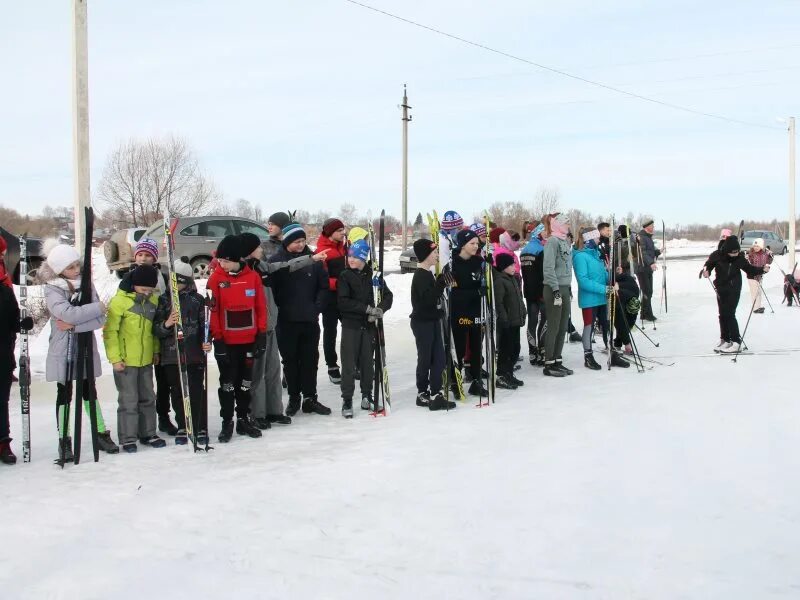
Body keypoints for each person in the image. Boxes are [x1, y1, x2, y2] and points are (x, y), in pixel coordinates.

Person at [39, 243, 119, 461]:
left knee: (89, 390)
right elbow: (66, 313)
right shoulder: (52, 288)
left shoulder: (86, 283)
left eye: (77, 265)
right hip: (63, 347)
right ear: (59, 270)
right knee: (64, 392)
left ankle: (100, 432)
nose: (76, 270)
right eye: (70, 267)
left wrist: (75, 323)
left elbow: (99, 320)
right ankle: (64, 439)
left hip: (84, 344)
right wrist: (96, 309)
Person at [240, 231, 323, 428]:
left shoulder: (263, 266)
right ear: (249, 252)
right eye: (258, 248)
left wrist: (311, 259)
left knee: (273, 371)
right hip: (255, 331)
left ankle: (274, 410)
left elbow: (286, 266)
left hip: (270, 326)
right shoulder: (245, 273)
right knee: (257, 375)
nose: (262, 250)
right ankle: (257, 414)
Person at [207, 235, 267, 442]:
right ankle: (227, 421)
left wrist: (261, 334)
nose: (221, 264)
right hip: (227, 343)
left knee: (245, 383)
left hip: (249, 340)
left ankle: (243, 418)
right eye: (220, 261)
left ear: (237, 259)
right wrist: (218, 340)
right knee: (228, 384)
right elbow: (212, 312)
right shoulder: (215, 279)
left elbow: (260, 307)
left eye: (225, 261)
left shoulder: (253, 277)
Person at [269, 222, 331, 417]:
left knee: (310, 359)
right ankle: (294, 397)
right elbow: (271, 291)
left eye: (303, 241)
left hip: (309, 319)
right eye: (296, 242)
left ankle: (310, 398)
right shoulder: (277, 261)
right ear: (287, 242)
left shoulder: (315, 259)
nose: (301, 245)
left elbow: (324, 286)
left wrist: (317, 307)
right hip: (286, 321)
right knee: (290, 361)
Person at [119, 237, 177, 437]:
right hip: (140, 334)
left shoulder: (163, 274)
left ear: (154, 257)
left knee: (163, 381)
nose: (143, 258)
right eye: (140, 255)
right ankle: (137, 426)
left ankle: (162, 417)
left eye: (148, 255)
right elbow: (123, 304)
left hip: (162, 334)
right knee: (142, 387)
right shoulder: (130, 278)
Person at [103, 264, 164, 452]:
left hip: (145, 360)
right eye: (143, 289)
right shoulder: (119, 302)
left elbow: (152, 331)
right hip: (126, 361)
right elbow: (110, 332)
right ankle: (128, 437)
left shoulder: (152, 301)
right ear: (134, 284)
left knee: (148, 397)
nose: (146, 293)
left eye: (150, 289)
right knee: (129, 399)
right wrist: (115, 358)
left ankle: (148, 432)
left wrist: (155, 351)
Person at [152, 258, 211, 445]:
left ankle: (200, 425)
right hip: (171, 355)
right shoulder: (163, 301)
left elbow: (205, 325)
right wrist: (167, 323)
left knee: (195, 390)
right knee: (177, 391)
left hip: (193, 354)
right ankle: (183, 425)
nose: (175, 286)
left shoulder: (197, 300)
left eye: (180, 282)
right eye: (172, 282)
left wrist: (207, 342)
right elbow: (156, 330)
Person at [336, 239, 394, 417]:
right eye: (349, 256)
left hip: (369, 326)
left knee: (368, 362)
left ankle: (367, 396)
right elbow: (343, 302)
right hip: (351, 326)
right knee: (348, 364)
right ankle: (347, 400)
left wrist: (379, 310)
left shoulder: (374, 275)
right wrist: (366, 309)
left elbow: (388, 295)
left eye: (355, 256)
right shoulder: (345, 276)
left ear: (363, 258)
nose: (351, 259)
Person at [409, 239, 457, 411]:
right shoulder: (420, 275)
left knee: (439, 358)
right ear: (426, 255)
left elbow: (433, 299)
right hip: (422, 323)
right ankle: (423, 392)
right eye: (434, 252)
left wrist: (441, 282)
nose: (437, 255)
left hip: (432, 320)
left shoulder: (427, 273)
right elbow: (427, 301)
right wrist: (440, 284)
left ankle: (435, 393)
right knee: (426, 357)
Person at [702, 236, 769, 353]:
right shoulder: (717, 255)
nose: (735, 255)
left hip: (734, 289)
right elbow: (708, 264)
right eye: (733, 253)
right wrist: (706, 270)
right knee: (722, 315)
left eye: (737, 252)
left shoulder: (739, 259)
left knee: (729, 314)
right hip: (720, 289)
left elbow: (750, 269)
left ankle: (736, 342)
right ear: (727, 250)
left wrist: (762, 269)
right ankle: (725, 339)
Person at [573, 227, 626, 369]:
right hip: (589, 299)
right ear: (588, 239)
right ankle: (588, 356)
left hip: (603, 297)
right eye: (596, 238)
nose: (599, 240)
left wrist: (612, 276)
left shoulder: (596, 254)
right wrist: (605, 289)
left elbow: (602, 275)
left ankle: (612, 353)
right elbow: (583, 281)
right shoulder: (580, 256)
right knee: (589, 327)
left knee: (607, 325)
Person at [0, 258, 32, 464]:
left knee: (1, 403)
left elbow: (12, 322)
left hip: (1, 357)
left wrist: (22, 323)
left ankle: (3, 444)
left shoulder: (4, 292)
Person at [450, 228, 487, 396]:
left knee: (476, 346)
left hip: (476, 311)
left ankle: (477, 380)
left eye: (477, 244)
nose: (475, 246)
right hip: (460, 313)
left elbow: (482, 283)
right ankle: (455, 381)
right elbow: (455, 293)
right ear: (463, 245)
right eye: (472, 243)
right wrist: (475, 292)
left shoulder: (478, 261)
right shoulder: (453, 263)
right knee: (459, 347)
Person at [315, 218, 348, 384]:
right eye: (339, 231)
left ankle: (353, 361)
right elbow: (321, 279)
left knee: (351, 328)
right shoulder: (321, 252)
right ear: (330, 233)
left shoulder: (344, 248)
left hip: (346, 296)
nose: (343, 233)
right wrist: (340, 283)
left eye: (343, 230)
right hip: (330, 298)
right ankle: (332, 365)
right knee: (330, 331)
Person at [542, 214, 574, 377]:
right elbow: (548, 268)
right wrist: (555, 290)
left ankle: (557, 359)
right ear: (559, 224)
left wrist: (566, 289)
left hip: (565, 287)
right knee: (554, 326)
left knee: (563, 327)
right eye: (566, 223)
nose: (568, 225)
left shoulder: (564, 241)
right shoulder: (552, 242)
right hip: (554, 288)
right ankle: (548, 363)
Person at [493, 253, 525, 389]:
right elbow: (499, 303)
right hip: (507, 323)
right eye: (511, 265)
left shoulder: (512, 279)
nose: (514, 267)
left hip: (515, 321)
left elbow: (518, 297)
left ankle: (509, 373)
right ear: (504, 266)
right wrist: (504, 319)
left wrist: (523, 310)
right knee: (506, 350)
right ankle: (501, 375)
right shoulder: (500, 281)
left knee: (515, 349)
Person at [520, 222, 547, 365]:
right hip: (541, 292)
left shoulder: (525, 250)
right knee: (543, 321)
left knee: (532, 322)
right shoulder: (541, 249)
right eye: (544, 232)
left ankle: (532, 351)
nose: (547, 234)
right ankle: (541, 349)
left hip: (529, 292)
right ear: (538, 233)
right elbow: (543, 273)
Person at [635, 218, 661, 322]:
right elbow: (642, 253)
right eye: (652, 226)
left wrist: (658, 251)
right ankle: (646, 314)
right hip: (642, 269)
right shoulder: (641, 237)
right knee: (647, 291)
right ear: (647, 227)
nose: (654, 227)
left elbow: (650, 252)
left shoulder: (648, 238)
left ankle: (644, 313)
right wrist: (651, 263)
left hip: (648, 269)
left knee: (649, 291)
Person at [745, 238, 773, 314]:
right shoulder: (751, 254)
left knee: (759, 291)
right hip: (752, 276)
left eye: (757, 246)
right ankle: (755, 308)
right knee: (754, 292)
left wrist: (770, 256)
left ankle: (758, 306)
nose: (755, 247)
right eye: (754, 246)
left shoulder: (764, 254)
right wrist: (747, 257)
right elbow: (747, 264)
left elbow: (769, 262)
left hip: (760, 275)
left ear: (761, 246)